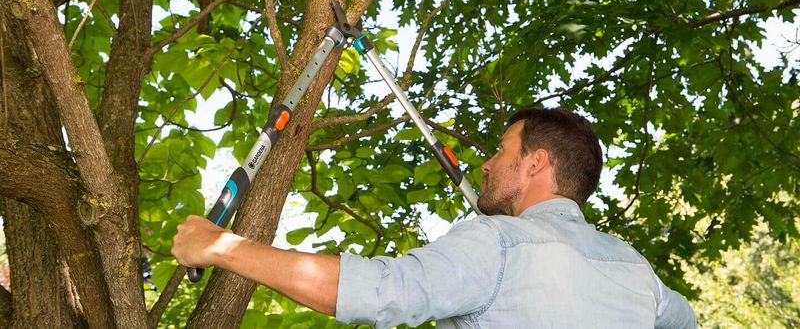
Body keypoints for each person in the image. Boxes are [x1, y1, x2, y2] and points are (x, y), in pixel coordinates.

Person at [172, 107, 696, 328]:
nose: (486, 164)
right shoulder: (635, 270)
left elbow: (380, 291)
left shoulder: (498, 244)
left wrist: (221, 245)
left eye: (501, 150)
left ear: (536, 162)